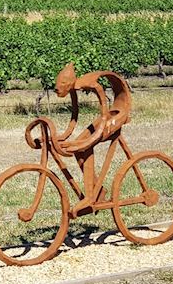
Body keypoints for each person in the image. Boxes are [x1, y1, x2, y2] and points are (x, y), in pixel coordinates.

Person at [53, 62, 132, 216]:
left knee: (85, 146)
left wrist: (95, 136)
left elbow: (103, 107)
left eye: (62, 84)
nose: (57, 88)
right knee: (78, 147)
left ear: (69, 82)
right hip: (108, 115)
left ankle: (90, 197)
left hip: (119, 113)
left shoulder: (92, 85)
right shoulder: (73, 87)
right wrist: (64, 136)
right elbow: (74, 116)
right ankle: (98, 191)